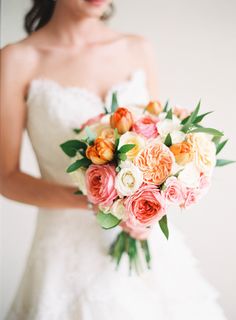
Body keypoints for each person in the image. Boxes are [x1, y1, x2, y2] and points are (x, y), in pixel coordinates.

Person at [0, 0, 227, 319]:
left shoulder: (137, 49)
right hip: (66, 251)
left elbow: (155, 137)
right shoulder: (17, 59)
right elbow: (6, 178)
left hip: (143, 240)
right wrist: (100, 201)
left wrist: (146, 209)